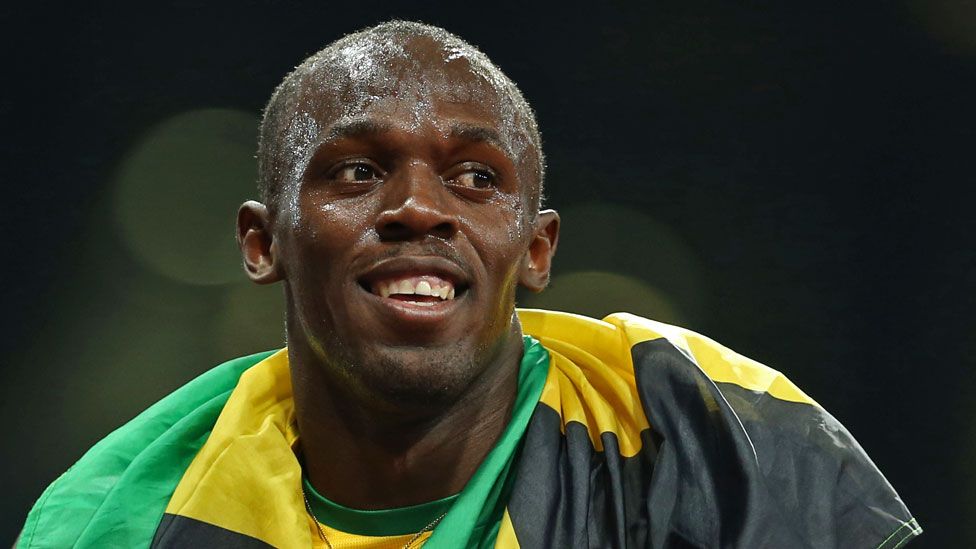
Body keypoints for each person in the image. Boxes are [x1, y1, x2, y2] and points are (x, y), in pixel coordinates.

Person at [17, 21, 919, 549]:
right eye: (358, 171)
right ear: (263, 243)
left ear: (536, 249)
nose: (419, 209)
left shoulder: (714, 438)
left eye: (477, 179)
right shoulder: (122, 516)